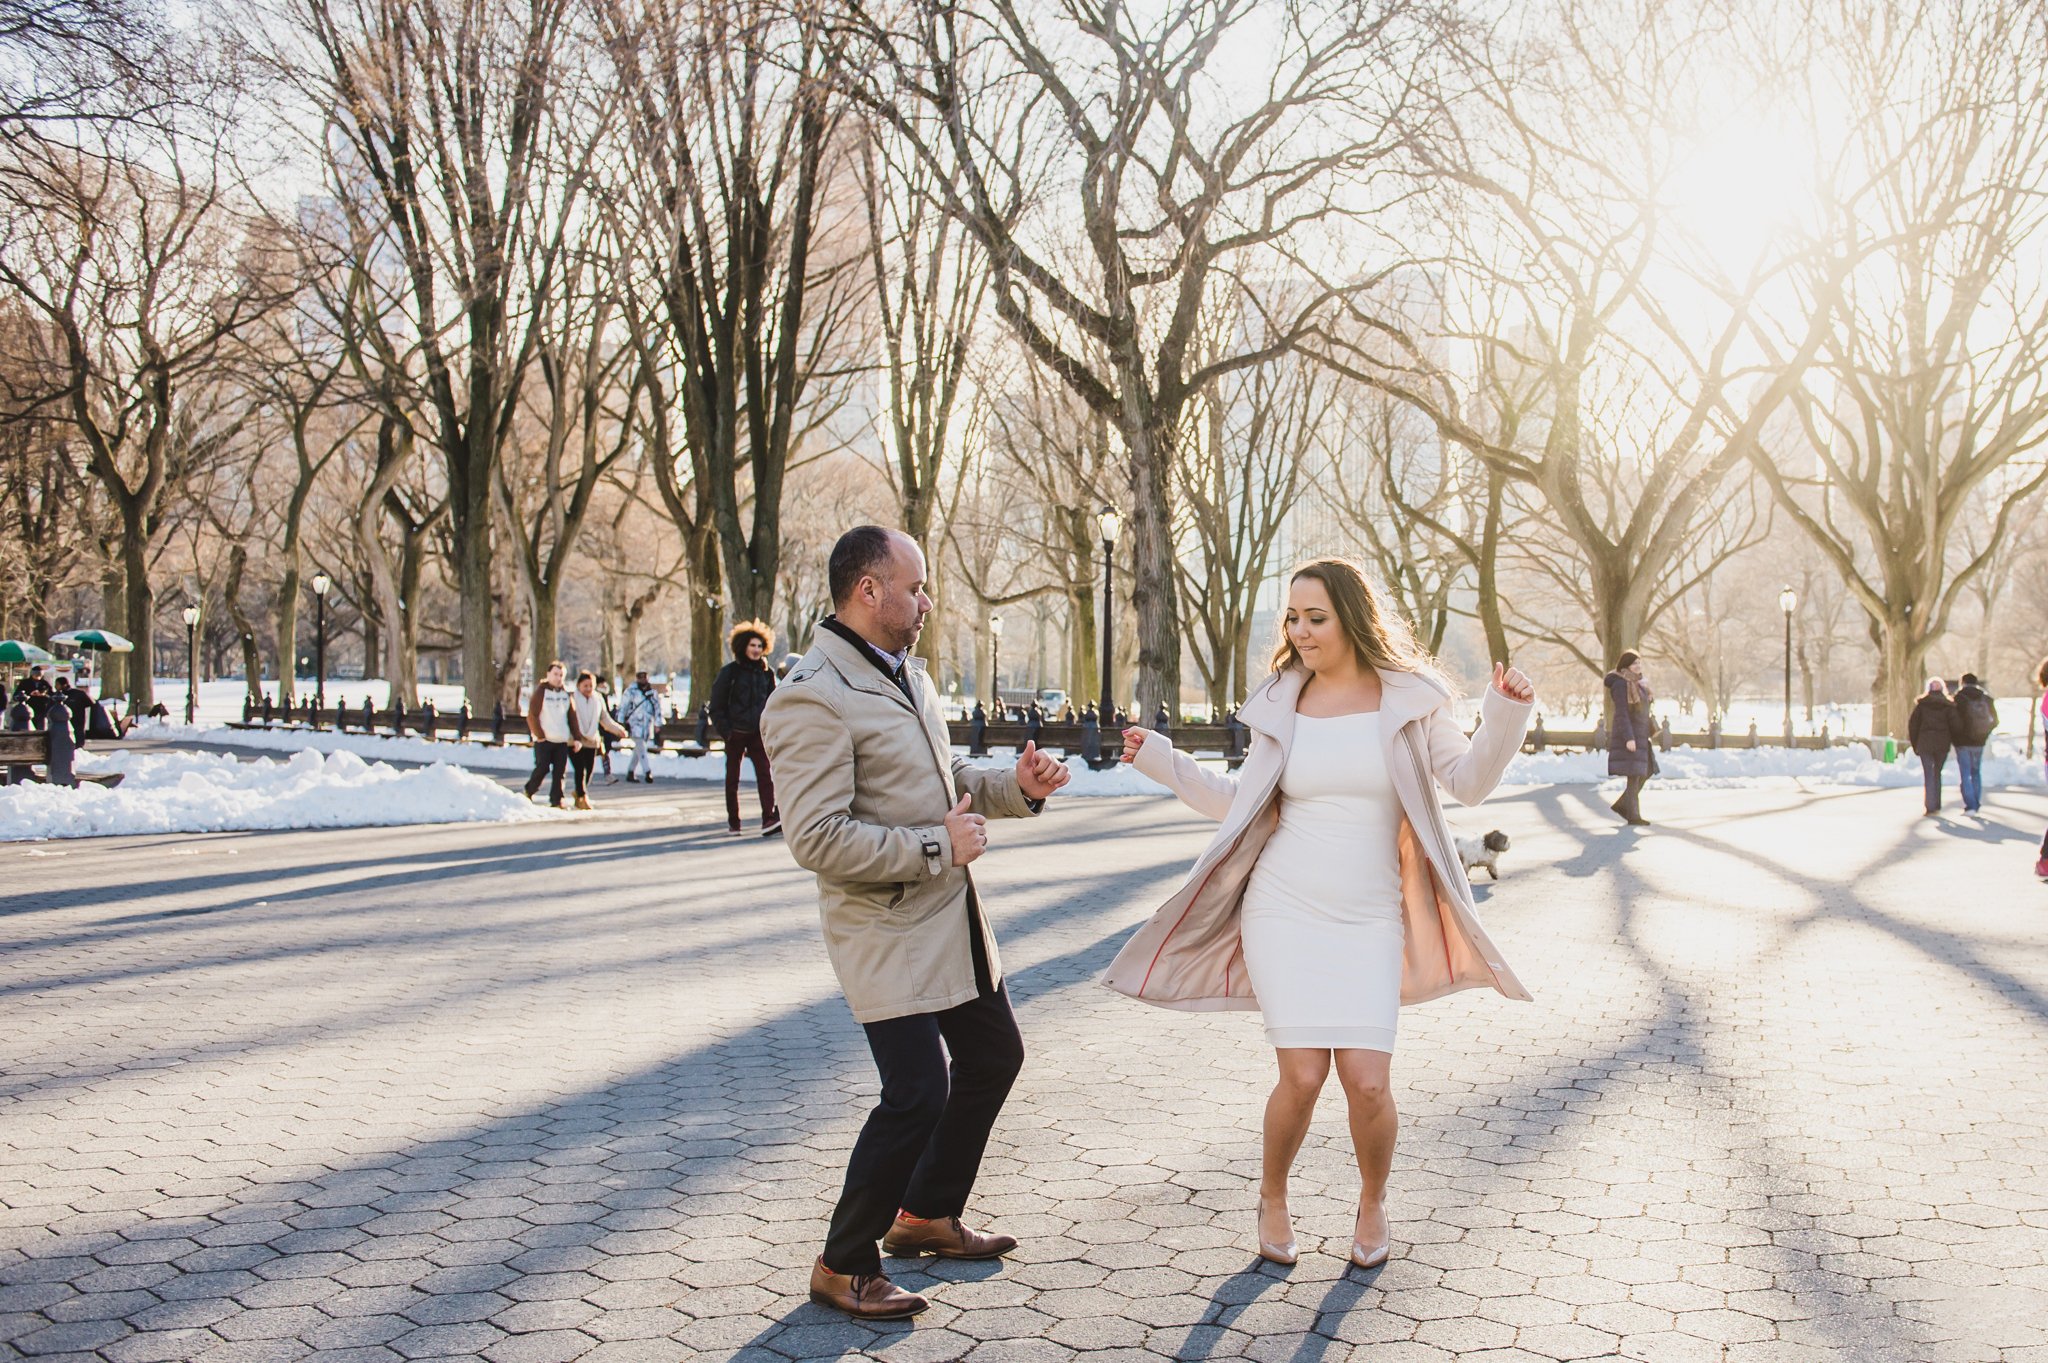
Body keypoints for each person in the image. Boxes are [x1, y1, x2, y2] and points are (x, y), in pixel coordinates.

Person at [1105, 556, 1533, 1271]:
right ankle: (1272, 1196)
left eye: (1316, 618)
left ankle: (1373, 1201)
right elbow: (1237, 800)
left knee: (1367, 1080)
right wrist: (1162, 759)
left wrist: (1506, 714)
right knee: (1303, 1076)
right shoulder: (1283, 700)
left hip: (1370, 914)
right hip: (1284, 908)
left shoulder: (1411, 699)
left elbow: (1469, 782)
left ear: (1352, 619)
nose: (1300, 632)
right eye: (1293, 619)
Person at [761, 526, 1072, 1320]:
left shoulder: (907, 674)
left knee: (994, 1054)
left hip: (950, 920)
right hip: (886, 928)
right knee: (916, 1093)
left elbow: (946, 777)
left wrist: (1019, 785)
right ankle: (842, 1262)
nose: (927, 602)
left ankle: (926, 1213)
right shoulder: (811, 693)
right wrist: (937, 845)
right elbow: (817, 837)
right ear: (868, 590)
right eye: (916, 586)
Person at [709, 620, 783, 837]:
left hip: (758, 733)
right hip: (736, 733)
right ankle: (734, 822)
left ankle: (769, 818)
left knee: (766, 776)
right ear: (743, 646)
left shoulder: (766, 673)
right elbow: (716, 706)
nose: (756, 650)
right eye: (752, 645)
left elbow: (773, 703)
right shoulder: (730, 672)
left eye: (759, 646)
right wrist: (727, 731)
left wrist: (770, 728)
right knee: (732, 779)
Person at [1604, 650, 1657, 826]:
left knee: (1648, 770)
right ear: (1625, 666)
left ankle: (1623, 805)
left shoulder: (1638, 684)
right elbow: (1622, 713)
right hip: (1631, 735)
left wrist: (1649, 697)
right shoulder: (1621, 684)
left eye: (1639, 663)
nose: (1638, 666)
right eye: (1634, 663)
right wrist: (1629, 738)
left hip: (1641, 734)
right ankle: (1633, 815)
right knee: (1634, 775)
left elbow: (1640, 708)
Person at [523, 660, 582, 808]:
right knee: (542, 768)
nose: (558, 678)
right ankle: (529, 790)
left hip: (561, 739)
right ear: (548, 674)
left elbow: (572, 717)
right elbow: (532, 715)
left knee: (560, 772)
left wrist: (577, 737)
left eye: (561, 675)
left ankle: (556, 799)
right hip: (544, 739)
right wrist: (539, 735)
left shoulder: (566, 694)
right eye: (555, 674)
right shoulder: (541, 692)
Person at [568, 670, 628, 811]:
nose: (588, 689)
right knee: (580, 769)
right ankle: (582, 798)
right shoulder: (572, 698)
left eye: (591, 686)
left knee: (588, 771)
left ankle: (578, 792)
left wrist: (618, 730)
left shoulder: (598, 699)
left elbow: (605, 719)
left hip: (592, 740)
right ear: (578, 685)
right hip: (575, 739)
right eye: (585, 686)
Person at [1908, 678, 1955, 817]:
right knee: (1937, 773)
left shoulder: (1922, 705)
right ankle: (1937, 804)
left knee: (1928, 773)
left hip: (1925, 743)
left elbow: (1913, 726)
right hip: (1942, 743)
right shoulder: (1948, 705)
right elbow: (1955, 725)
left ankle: (1930, 805)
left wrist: (1916, 744)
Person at [1951, 673, 1996, 814]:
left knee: (1965, 773)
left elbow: (1953, 721)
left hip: (1962, 742)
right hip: (1980, 742)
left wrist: (1956, 736)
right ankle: (1976, 803)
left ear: (1962, 683)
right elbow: (1995, 720)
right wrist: (1984, 734)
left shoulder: (1958, 698)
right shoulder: (1986, 698)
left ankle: (1970, 805)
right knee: (1976, 772)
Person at [619, 671, 662, 783]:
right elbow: (623, 707)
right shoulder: (631, 692)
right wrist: (620, 723)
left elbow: (657, 709)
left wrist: (657, 723)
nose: (643, 680)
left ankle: (630, 772)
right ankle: (647, 771)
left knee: (638, 750)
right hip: (634, 724)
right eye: (640, 678)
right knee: (641, 747)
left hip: (647, 725)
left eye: (645, 678)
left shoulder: (652, 693)